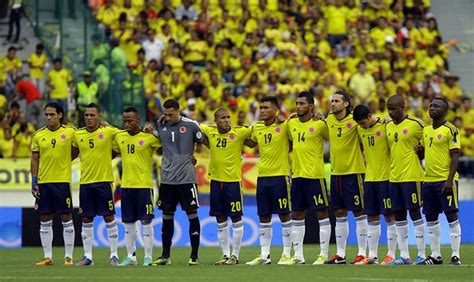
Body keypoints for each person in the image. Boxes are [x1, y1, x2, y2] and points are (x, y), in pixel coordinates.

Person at [150, 99, 205, 266]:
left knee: (192, 215)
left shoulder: (191, 125)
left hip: (187, 180)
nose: (167, 117)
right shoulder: (161, 125)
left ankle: (194, 256)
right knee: (167, 217)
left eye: (170, 114)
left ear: (178, 111)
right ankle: (165, 256)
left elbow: (204, 141)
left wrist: (192, 157)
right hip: (167, 180)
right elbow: (159, 143)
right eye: (165, 114)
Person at [244, 96, 293, 265]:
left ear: (275, 110)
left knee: (284, 214)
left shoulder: (285, 125)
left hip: (280, 176)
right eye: (261, 107)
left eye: (266, 107)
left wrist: (287, 118)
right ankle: (264, 255)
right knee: (264, 216)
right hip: (263, 177)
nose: (262, 110)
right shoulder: (257, 127)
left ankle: (287, 254)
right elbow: (249, 143)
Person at [201, 108, 251, 265]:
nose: (227, 120)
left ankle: (235, 255)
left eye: (229, 117)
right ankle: (225, 254)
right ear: (215, 121)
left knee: (236, 218)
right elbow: (193, 125)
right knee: (220, 218)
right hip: (216, 182)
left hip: (233, 183)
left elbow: (258, 128)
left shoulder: (239, 132)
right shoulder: (210, 131)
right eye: (223, 118)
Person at [72, 103, 121, 266]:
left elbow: (125, 139)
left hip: (104, 181)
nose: (89, 118)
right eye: (86, 115)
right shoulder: (77, 135)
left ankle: (114, 255)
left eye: (92, 115)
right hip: (85, 182)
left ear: (99, 116)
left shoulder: (109, 131)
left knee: (109, 217)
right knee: (86, 218)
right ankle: (88, 257)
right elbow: (71, 154)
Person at [287, 92, 332, 265]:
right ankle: (298, 256)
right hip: (297, 176)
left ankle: (323, 254)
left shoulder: (320, 124)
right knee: (297, 214)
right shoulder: (291, 123)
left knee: (322, 213)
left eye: (301, 104)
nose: (298, 106)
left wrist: (325, 119)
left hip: (315, 176)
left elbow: (333, 138)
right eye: (296, 103)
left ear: (311, 106)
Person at [112, 106, 161, 266]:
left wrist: (153, 132)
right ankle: (130, 256)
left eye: (130, 121)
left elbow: (165, 144)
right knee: (128, 223)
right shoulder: (120, 137)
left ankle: (148, 256)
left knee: (146, 222)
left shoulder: (148, 137)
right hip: (126, 186)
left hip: (144, 186)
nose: (126, 124)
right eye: (125, 121)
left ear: (138, 120)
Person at [31, 102, 76, 266]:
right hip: (44, 182)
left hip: (62, 181)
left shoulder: (70, 132)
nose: (49, 117)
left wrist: (68, 159)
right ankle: (48, 256)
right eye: (47, 115)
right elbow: (35, 158)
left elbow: (81, 144)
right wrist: (34, 181)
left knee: (66, 217)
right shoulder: (38, 135)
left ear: (60, 115)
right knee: (45, 217)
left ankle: (68, 257)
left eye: (52, 114)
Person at [325, 91, 367, 265]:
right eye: (331, 101)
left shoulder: (355, 122)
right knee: (339, 213)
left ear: (346, 104)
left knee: (359, 212)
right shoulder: (327, 121)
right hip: (336, 175)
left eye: (336, 101)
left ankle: (362, 253)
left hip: (354, 173)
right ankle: (340, 254)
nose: (332, 103)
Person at [418, 98, 462, 265]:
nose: (431, 108)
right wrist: (419, 152)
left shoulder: (451, 129)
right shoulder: (426, 130)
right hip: (428, 180)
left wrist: (450, 180)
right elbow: (423, 155)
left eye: (436, 106)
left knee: (451, 215)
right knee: (430, 217)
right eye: (430, 105)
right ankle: (436, 255)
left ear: (444, 111)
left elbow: (455, 156)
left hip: (445, 180)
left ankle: (455, 255)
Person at [353, 105, 397, 265]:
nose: (362, 127)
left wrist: (387, 119)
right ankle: (372, 255)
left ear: (370, 115)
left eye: (363, 123)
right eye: (359, 124)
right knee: (371, 216)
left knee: (389, 215)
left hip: (386, 178)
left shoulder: (385, 125)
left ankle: (391, 254)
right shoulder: (359, 130)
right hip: (369, 178)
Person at [385, 95, 426, 265]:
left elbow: (428, 144)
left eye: (394, 108)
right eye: (389, 109)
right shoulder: (388, 126)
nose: (391, 112)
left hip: (412, 176)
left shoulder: (416, 124)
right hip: (394, 177)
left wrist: (422, 150)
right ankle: (404, 255)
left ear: (403, 106)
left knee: (415, 212)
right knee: (399, 215)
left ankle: (422, 254)